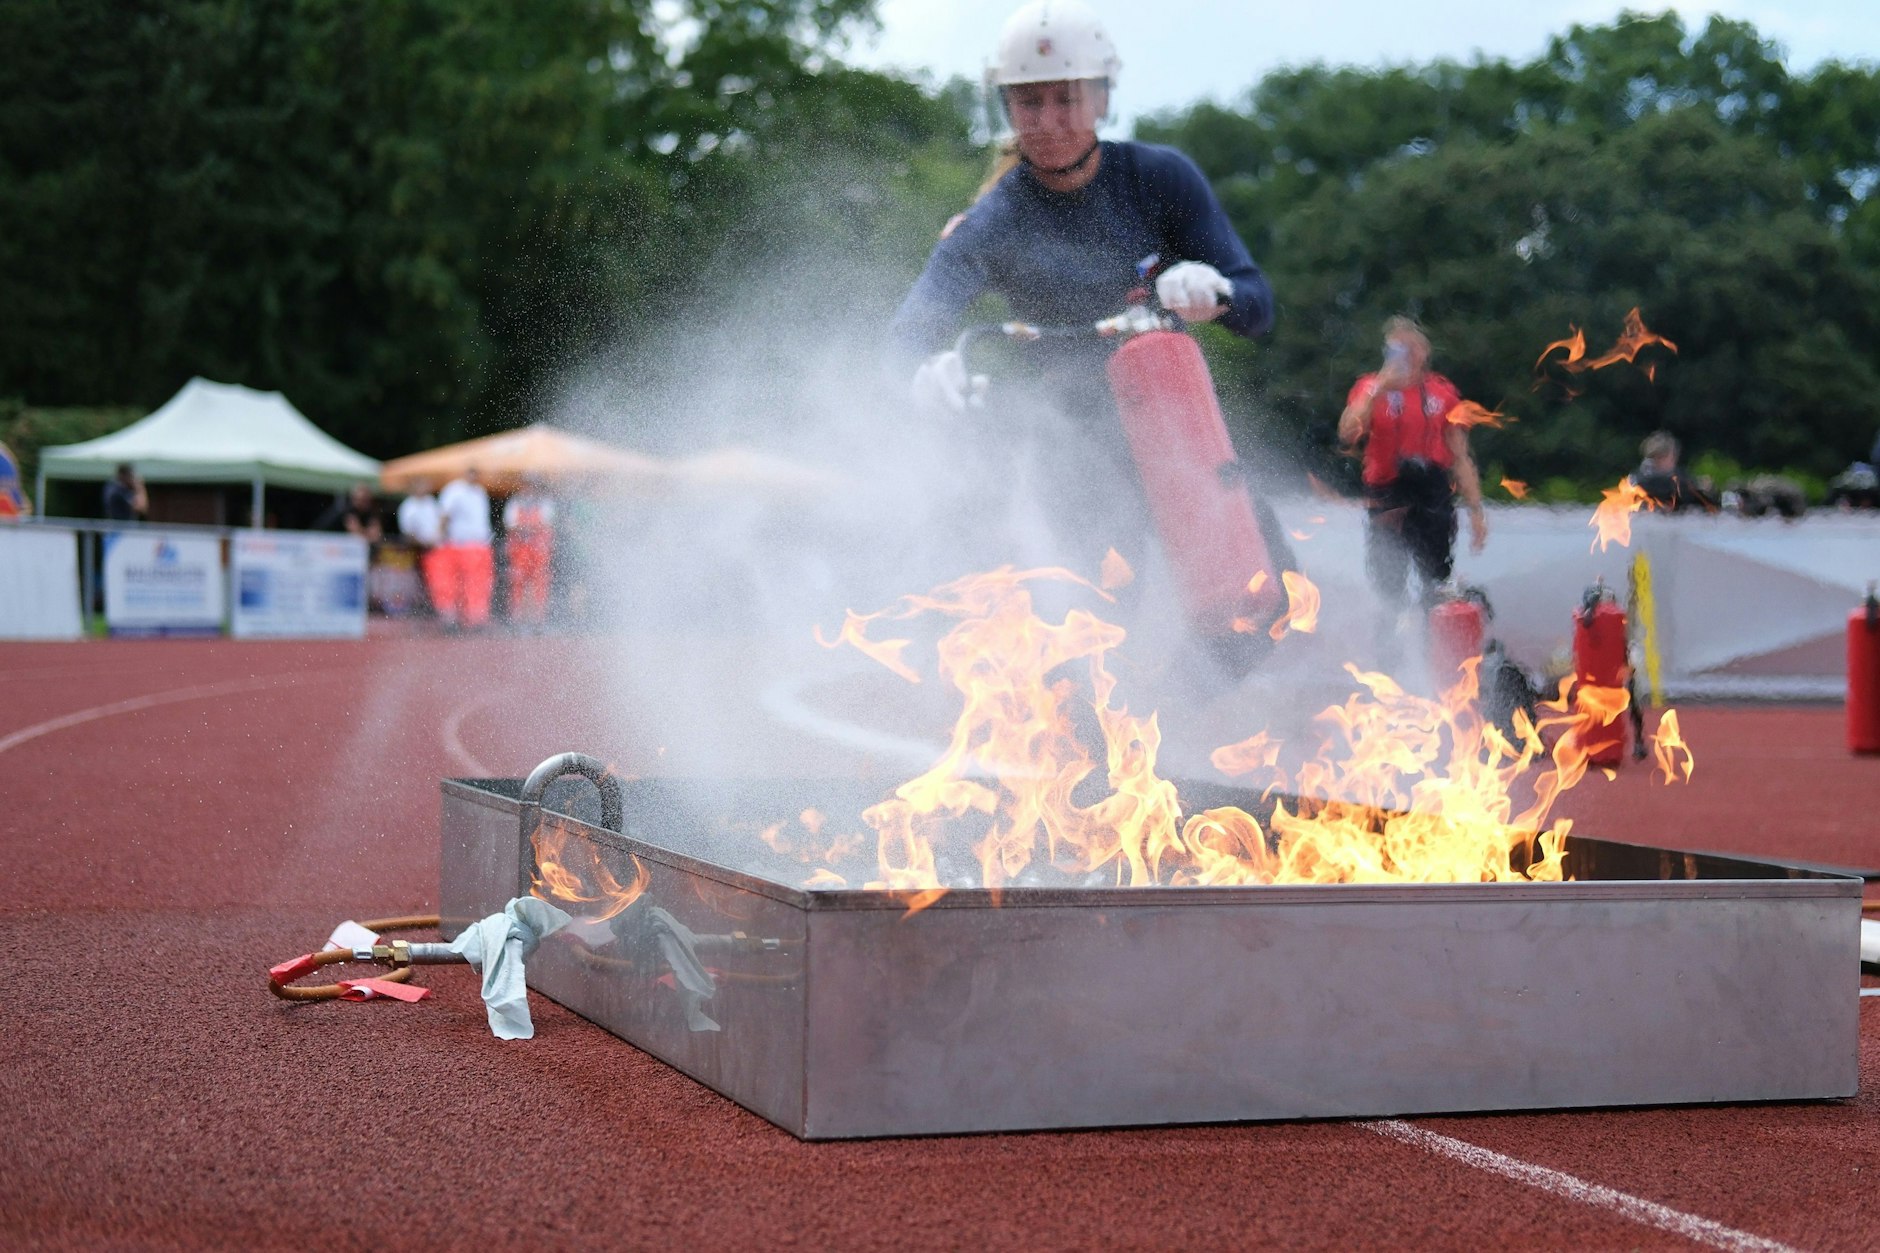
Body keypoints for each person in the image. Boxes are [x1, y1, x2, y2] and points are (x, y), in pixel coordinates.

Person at [886, 0, 1278, 651]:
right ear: (1006, 108)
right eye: (1028, 103)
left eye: (1066, 99)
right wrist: (922, 373)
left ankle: (1180, 716)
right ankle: (1099, 736)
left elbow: (1259, 304)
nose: (1048, 123)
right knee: (1093, 635)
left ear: (1101, 97)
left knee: (1260, 606)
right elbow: (906, 337)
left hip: (1177, 423)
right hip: (1074, 444)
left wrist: (1218, 293)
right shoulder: (992, 222)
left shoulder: (1159, 180)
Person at [1337, 316, 1488, 625]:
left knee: (1437, 580)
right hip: (1387, 493)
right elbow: (1347, 433)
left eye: (1413, 347)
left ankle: (1437, 649)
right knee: (1388, 583)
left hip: (1431, 494)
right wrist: (1379, 387)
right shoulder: (1370, 387)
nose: (1408, 354)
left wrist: (1476, 510)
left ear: (1425, 351)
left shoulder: (1442, 393)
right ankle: (1389, 656)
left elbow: (1460, 456)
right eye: (1398, 347)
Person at [435, 466, 495, 631]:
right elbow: (444, 515)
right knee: (454, 584)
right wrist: (440, 538)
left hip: (479, 545)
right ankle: (452, 619)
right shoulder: (455, 490)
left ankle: (476, 619)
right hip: (459, 545)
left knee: (478, 584)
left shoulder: (480, 492)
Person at [502, 473, 557, 630]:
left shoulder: (545, 503)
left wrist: (526, 529)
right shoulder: (515, 503)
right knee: (517, 581)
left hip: (539, 550)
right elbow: (510, 525)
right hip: (520, 551)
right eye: (527, 485)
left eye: (532, 485)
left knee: (540, 582)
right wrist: (529, 529)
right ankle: (517, 617)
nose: (529, 489)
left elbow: (547, 524)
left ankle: (539, 618)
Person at [397, 478, 447, 620]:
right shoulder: (408, 507)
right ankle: (423, 611)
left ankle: (438, 611)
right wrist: (425, 542)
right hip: (421, 549)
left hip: (437, 548)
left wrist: (438, 536)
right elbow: (408, 532)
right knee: (423, 582)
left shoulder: (431, 502)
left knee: (439, 582)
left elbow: (441, 521)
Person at [1631, 431, 1714, 512]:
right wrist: (1696, 485)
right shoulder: (1643, 478)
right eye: (1671, 455)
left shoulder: (1676, 474)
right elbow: (1664, 487)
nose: (1674, 459)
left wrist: (1702, 486)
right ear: (1659, 457)